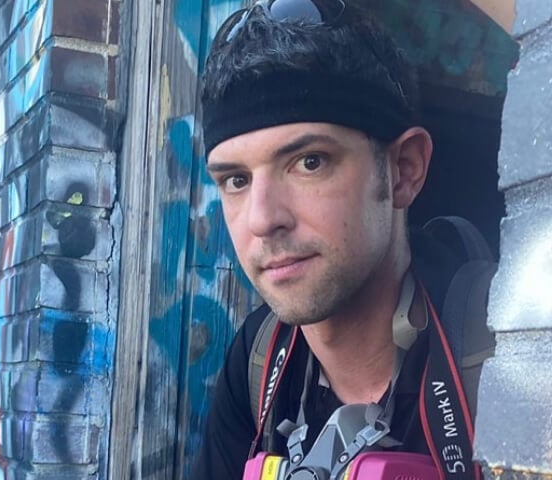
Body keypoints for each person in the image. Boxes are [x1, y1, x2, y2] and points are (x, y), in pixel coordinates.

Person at [193, 1, 487, 478]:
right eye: (236, 180)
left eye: (309, 162)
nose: (263, 219)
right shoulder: (257, 359)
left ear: (403, 170)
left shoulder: (505, 358)